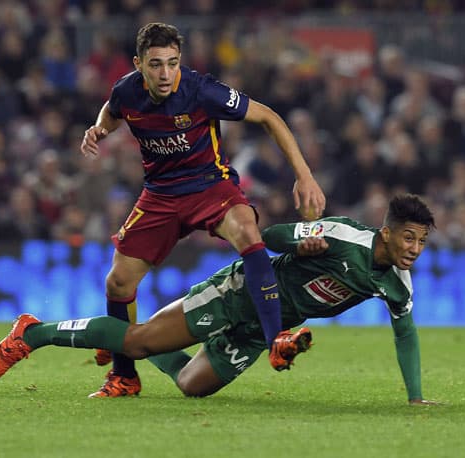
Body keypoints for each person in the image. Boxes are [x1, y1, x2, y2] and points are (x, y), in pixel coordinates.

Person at [0, 194, 438, 405]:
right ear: (387, 232)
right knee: (142, 341)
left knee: (191, 385)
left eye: (421, 242)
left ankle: (122, 340)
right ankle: (34, 332)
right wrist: (300, 247)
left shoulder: (398, 283)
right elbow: (269, 237)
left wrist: (416, 400)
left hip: (265, 333)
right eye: (409, 238)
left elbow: (406, 335)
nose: (414, 249)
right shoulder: (343, 236)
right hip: (240, 294)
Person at [78, 23, 325, 397]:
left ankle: (278, 339)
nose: (165, 74)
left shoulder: (201, 90)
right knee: (118, 282)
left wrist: (304, 175)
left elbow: (269, 117)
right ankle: (124, 376)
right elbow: (112, 112)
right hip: (160, 195)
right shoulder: (127, 90)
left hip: (210, 185)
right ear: (138, 64)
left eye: (172, 63)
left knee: (247, 231)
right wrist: (98, 129)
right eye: (156, 64)